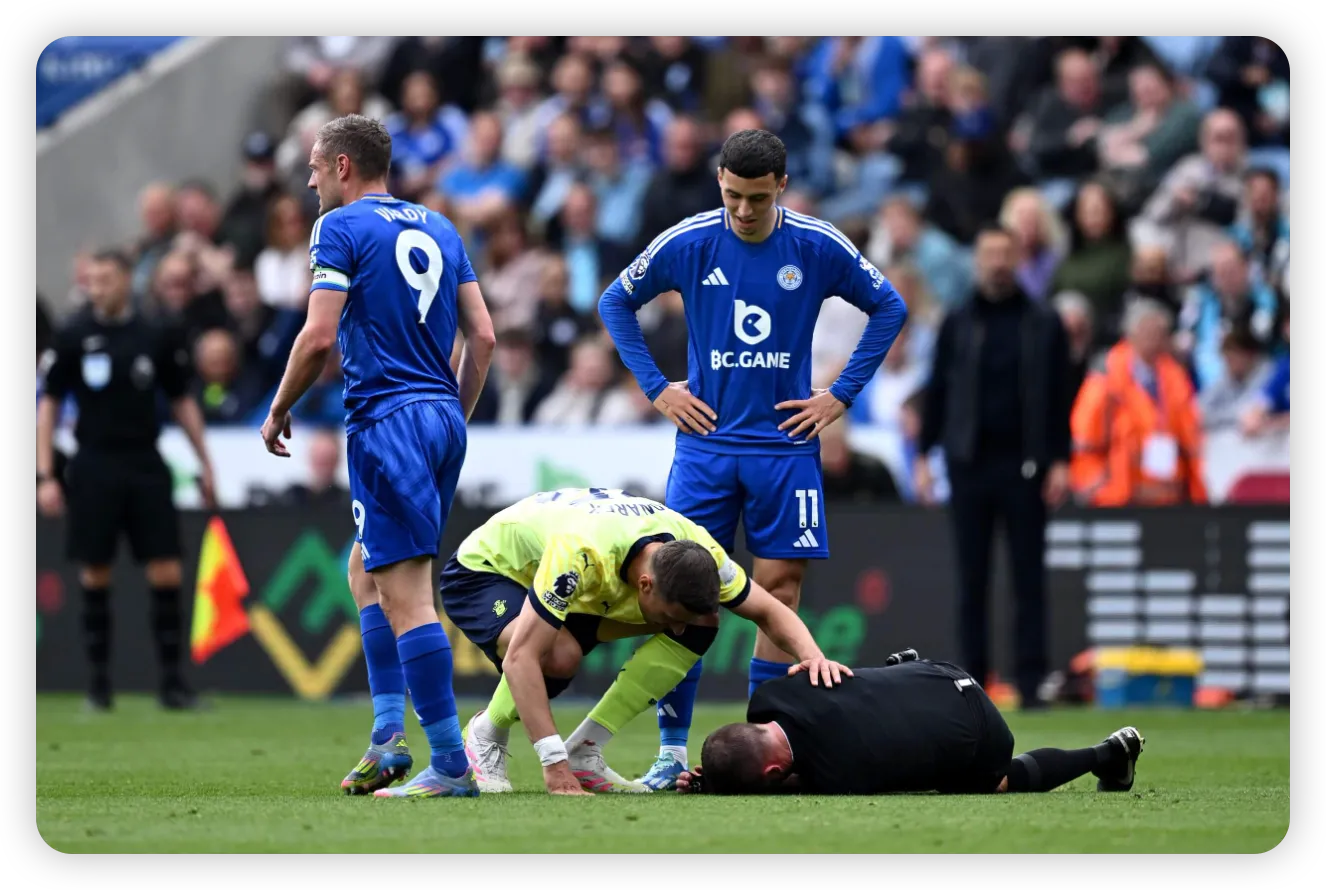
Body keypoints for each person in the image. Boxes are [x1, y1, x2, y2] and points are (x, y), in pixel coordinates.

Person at [597, 129, 907, 789]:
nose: (743, 211)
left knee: (782, 589)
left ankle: (757, 745)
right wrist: (658, 388)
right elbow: (614, 301)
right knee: (683, 595)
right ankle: (672, 755)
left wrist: (840, 396)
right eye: (734, 196)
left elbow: (890, 306)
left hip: (785, 446)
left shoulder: (818, 245)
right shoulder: (689, 240)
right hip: (706, 447)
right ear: (719, 182)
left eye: (757, 199)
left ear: (782, 188)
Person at [260, 113, 496, 799]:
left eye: (313, 164)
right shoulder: (440, 225)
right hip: (441, 415)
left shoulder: (338, 228)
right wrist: (451, 416)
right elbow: (481, 337)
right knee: (366, 566)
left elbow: (317, 338)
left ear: (341, 166)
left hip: (386, 419)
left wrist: (279, 409)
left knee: (405, 591)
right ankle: (388, 738)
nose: (307, 178)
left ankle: (451, 765)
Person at [446, 487, 852, 796]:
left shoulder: (698, 547)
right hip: (488, 572)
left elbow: (770, 610)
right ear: (645, 584)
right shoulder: (580, 552)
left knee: (701, 623)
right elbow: (521, 659)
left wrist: (814, 657)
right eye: (668, 615)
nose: (673, 629)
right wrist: (553, 766)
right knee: (554, 655)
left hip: (581, 575)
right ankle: (486, 735)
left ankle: (586, 749)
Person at [35, 248, 218, 711]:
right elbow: (49, 405)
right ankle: (98, 687)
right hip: (93, 464)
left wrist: (204, 462)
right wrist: (44, 475)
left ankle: (173, 685)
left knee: (166, 568)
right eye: (92, 280)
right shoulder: (73, 334)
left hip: (144, 463)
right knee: (94, 571)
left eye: (106, 279)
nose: (98, 287)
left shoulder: (155, 333)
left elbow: (182, 400)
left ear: (125, 282)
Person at [914, 225, 1074, 709]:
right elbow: (937, 389)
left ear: (1018, 259)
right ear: (978, 261)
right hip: (969, 465)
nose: (998, 263)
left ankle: (1031, 683)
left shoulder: (1043, 321)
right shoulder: (958, 321)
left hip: (1026, 466)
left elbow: (1061, 396)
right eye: (989, 254)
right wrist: (924, 454)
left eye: (1005, 254)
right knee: (972, 581)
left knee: (1029, 581)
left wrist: (1061, 459)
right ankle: (974, 686)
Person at [679, 650, 1144, 796]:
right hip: (937, 673)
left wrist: (718, 783)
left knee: (995, 783)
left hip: (981, 728)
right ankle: (905, 665)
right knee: (854, 689)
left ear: (774, 774)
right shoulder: (772, 694)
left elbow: (791, 781)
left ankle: (1108, 754)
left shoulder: (836, 774)